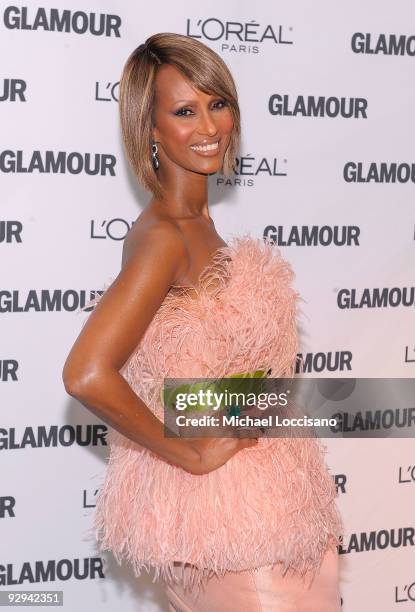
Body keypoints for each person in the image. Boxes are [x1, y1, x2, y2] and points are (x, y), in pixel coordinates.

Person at [62, 33, 343, 611]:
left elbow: (223, 381)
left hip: (275, 508)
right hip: (230, 523)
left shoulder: (200, 229)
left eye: (218, 103)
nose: (210, 126)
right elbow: (87, 373)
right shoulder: (163, 237)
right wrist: (189, 454)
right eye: (185, 111)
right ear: (150, 129)